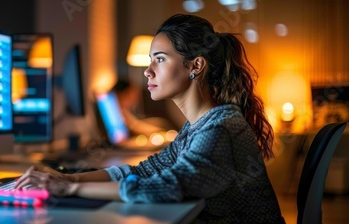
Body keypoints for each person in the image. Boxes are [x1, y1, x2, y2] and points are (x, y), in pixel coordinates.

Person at [14, 14, 285, 223]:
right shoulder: (197, 127)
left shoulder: (222, 125)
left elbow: (167, 187)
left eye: (160, 59)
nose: (147, 71)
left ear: (196, 66)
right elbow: (142, 171)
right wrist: (70, 179)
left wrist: (68, 190)